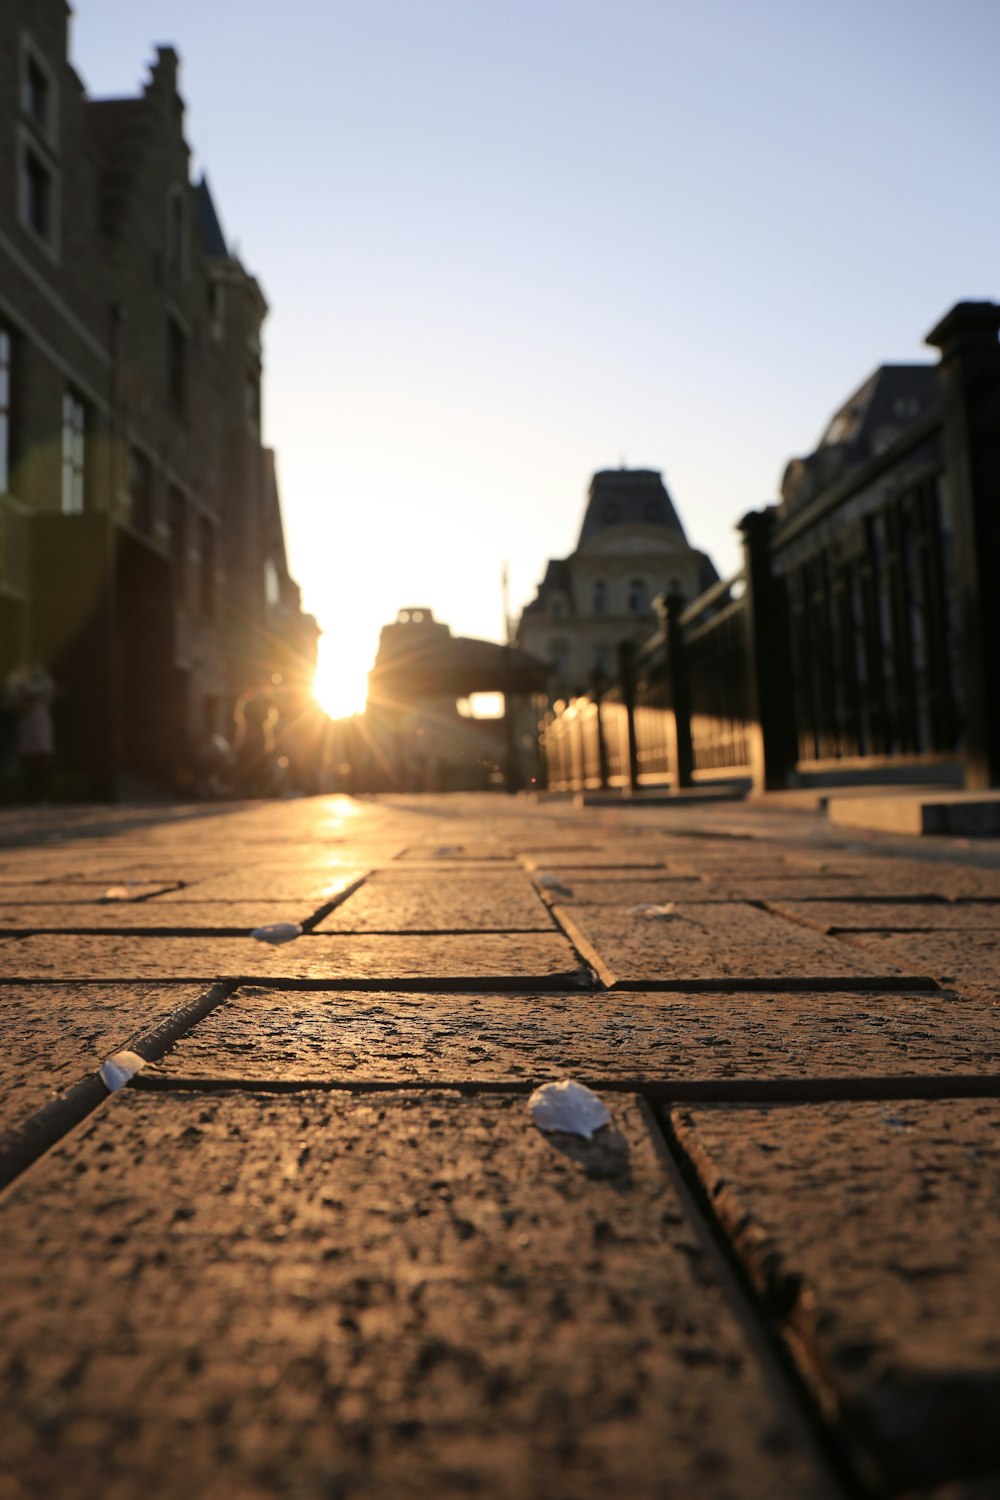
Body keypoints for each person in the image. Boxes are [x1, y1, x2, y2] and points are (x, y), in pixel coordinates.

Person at [11, 665, 56, 803]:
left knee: (41, 757)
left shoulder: (46, 682)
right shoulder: (21, 679)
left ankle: (44, 795)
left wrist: (24, 690)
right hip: (26, 722)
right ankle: (30, 795)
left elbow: (31, 692)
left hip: (39, 722)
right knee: (28, 759)